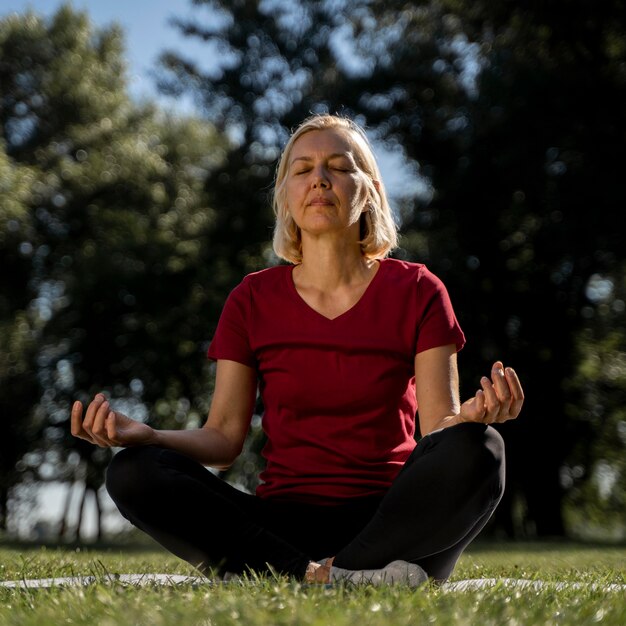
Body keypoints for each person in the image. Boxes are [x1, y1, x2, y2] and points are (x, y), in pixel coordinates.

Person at [71, 114, 524, 586]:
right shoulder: (252, 298)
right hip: (280, 528)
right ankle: (322, 577)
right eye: (303, 169)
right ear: (286, 194)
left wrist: (472, 418)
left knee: (482, 448)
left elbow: (438, 431)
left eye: (337, 166)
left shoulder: (418, 289)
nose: (320, 180)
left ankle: (337, 572)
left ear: (367, 188)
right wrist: (150, 435)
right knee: (134, 471)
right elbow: (224, 439)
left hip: (392, 523)